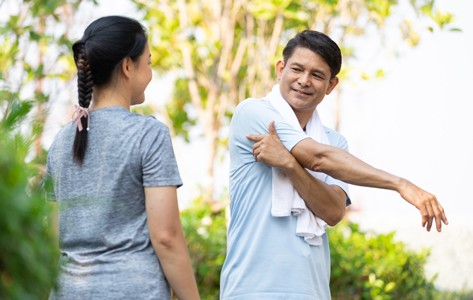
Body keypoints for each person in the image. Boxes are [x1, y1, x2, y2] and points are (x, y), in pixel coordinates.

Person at [220, 30, 448, 299]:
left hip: (311, 290)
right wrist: (400, 184)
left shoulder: (334, 142)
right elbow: (317, 159)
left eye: (317, 75)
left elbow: (332, 212)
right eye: (297, 69)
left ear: (330, 85)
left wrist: (290, 166)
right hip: (250, 289)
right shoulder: (253, 112)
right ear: (280, 69)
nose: (304, 81)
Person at [46, 16, 199, 299]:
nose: (151, 73)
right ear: (128, 66)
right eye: (149, 62)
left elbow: (55, 238)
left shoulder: (59, 143)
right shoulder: (148, 134)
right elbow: (166, 238)